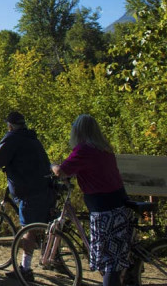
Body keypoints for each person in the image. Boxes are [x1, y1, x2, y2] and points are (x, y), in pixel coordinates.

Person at [52, 114, 132, 286]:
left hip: (103, 209)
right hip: (118, 203)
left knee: (109, 262)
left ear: (78, 131)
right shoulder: (104, 148)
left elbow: (61, 171)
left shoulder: (83, 150)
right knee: (114, 260)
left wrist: (52, 166)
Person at [0, 110, 54, 282]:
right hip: (44, 186)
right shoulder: (32, 138)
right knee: (44, 223)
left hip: (28, 189)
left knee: (28, 229)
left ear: (10, 126)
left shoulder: (12, 138)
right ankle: (55, 258)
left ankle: (25, 269)